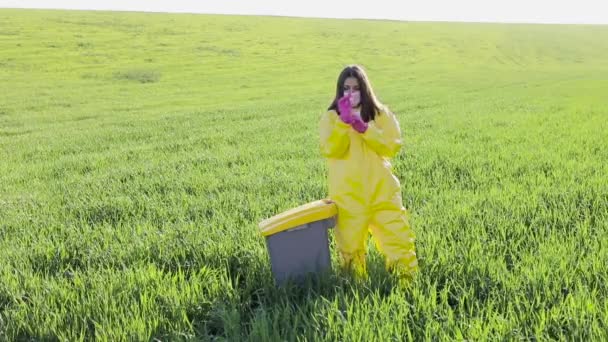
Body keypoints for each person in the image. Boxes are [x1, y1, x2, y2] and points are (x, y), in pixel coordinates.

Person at [319, 64, 419, 284]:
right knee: (351, 251)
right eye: (346, 88)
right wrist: (343, 125)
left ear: (365, 89)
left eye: (356, 88)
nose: (351, 93)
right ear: (340, 90)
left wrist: (364, 128)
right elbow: (330, 149)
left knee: (399, 242)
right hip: (348, 197)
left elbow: (391, 146)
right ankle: (356, 292)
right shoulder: (331, 118)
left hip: (383, 192)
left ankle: (407, 286)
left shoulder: (380, 114)